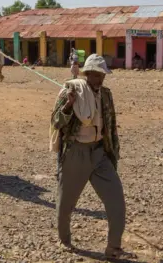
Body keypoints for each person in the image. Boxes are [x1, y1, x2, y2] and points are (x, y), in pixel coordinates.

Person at [50, 54, 134, 260]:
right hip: (75, 153)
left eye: (102, 75)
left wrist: (112, 152)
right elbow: (56, 121)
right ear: (87, 74)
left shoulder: (106, 94)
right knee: (66, 202)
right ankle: (64, 240)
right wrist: (69, 105)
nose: (99, 79)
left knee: (116, 200)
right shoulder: (72, 91)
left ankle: (113, 247)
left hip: (99, 153)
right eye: (95, 75)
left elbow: (111, 125)